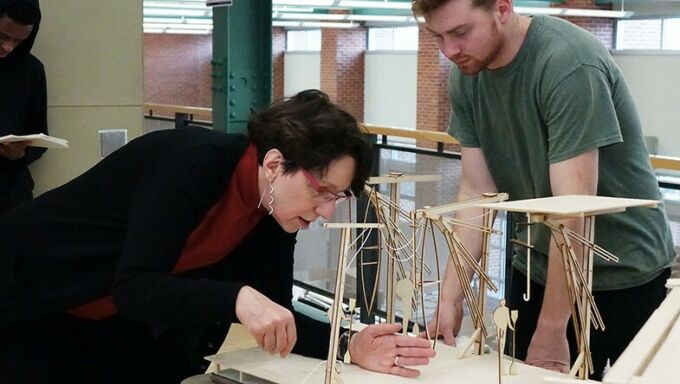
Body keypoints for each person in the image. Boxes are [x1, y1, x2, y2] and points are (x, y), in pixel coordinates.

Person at [0, 90, 436, 384]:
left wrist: (347, 344)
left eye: (337, 197)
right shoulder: (193, 164)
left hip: (111, 325)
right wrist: (236, 298)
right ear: (273, 164)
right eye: (320, 192)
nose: (324, 212)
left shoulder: (274, 211)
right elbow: (135, 285)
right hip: (31, 293)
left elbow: (276, 318)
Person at [412, 0, 675, 380]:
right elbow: (477, 193)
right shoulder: (467, 72)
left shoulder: (568, 64)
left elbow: (574, 213)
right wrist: (450, 300)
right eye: (437, 36)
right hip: (534, 268)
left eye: (460, 32)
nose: (449, 51)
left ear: (502, 9)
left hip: (622, 273)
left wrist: (553, 330)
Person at [0, 0, 48, 215]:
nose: (8, 47)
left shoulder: (31, 71)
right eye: (2, 37)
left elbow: (40, 136)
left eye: (19, 41)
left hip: (11, 194)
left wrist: (19, 155)